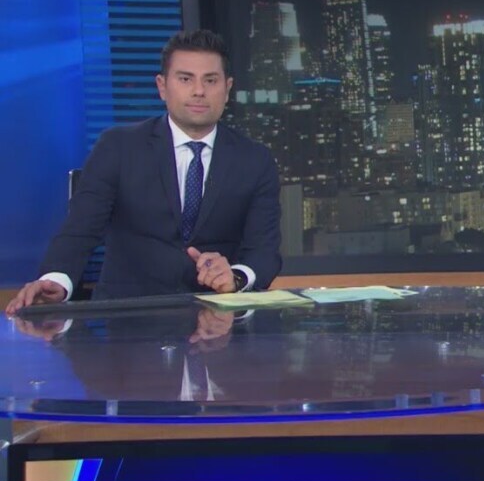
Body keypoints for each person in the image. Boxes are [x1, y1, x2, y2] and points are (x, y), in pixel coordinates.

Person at [5, 30, 281, 314]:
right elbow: (80, 230)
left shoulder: (255, 160)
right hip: (127, 316)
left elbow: (264, 251)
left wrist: (235, 277)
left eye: (210, 80)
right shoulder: (118, 147)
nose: (199, 91)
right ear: (162, 86)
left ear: (228, 87)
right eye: (185, 79)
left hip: (216, 320)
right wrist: (55, 281)